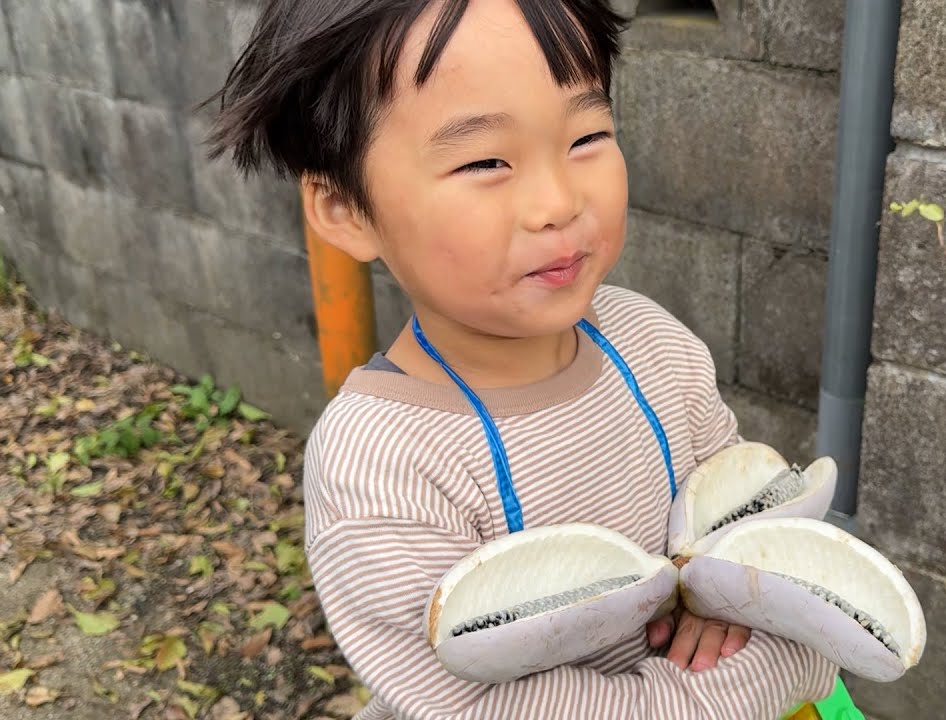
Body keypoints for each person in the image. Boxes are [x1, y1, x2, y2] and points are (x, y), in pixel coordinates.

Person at [204, 0, 838, 717]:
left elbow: (751, 531)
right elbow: (472, 702)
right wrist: (745, 682)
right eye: (484, 161)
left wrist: (735, 600)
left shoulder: (651, 343)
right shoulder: (380, 465)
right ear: (346, 209)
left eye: (587, 135)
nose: (557, 202)